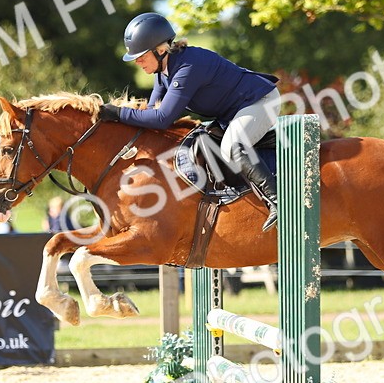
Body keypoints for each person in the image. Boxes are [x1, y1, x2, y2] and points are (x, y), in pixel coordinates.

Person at [97, 12, 282, 231]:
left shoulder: (188, 67)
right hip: (233, 113)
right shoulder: (163, 73)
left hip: (259, 101)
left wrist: (117, 113)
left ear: (161, 49)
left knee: (232, 146)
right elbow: (150, 113)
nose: (137, 61)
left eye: (141, 55)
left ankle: (277, 201)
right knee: (201, 143)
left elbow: (162, 119)